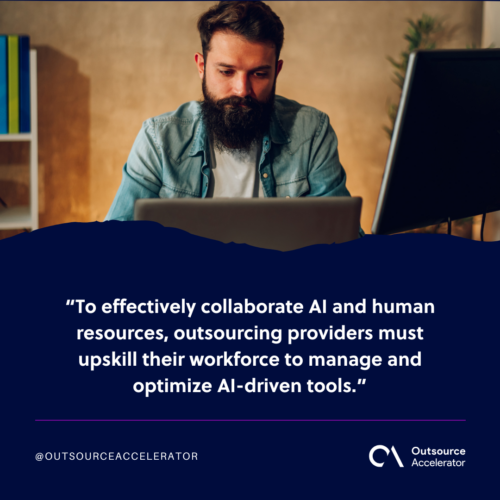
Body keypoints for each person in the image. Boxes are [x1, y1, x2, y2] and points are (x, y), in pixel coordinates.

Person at [106, 1, 361, 234]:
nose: (242, 90)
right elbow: (114, 242)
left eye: (259, 74)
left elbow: (343, 238)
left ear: (277, 71)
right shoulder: (158, 139)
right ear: (201, 67)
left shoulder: (312, 132)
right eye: (227, 71)